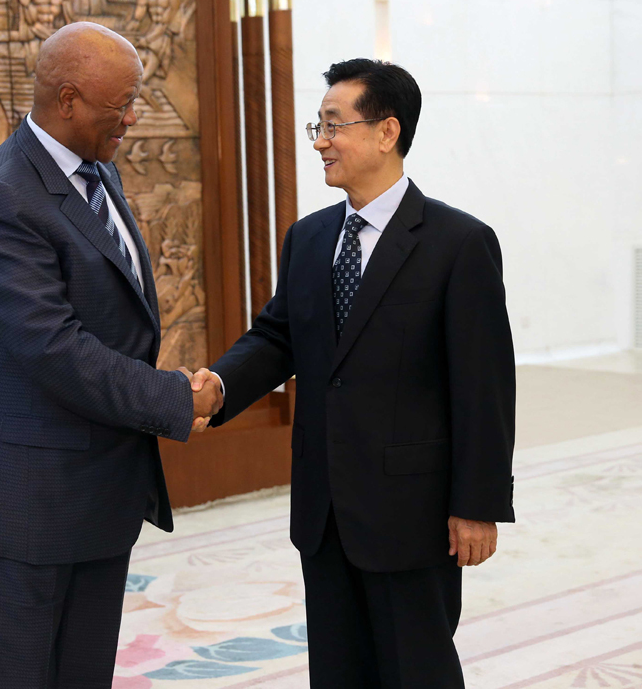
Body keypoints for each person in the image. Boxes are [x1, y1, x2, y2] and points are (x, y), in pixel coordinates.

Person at [190, 59, 515, 688]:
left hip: (413, 514)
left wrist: (477, 505)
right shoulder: (310, 238)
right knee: (338, 673)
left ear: (387, 131)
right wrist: (220, 387)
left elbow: (485, 386)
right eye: (319, 126)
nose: (320, 142)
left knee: (416, 671)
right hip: (324, 508)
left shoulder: (458, 243)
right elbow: (278, 336)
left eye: (334, 125)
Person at [0, 22, 222, 688]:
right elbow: (54, 347)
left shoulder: (96, 167)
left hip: (97, 491)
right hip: (28, 500)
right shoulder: (2, 196)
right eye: (121, 103)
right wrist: (174, 398)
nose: (133, 117)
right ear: (67, 100)